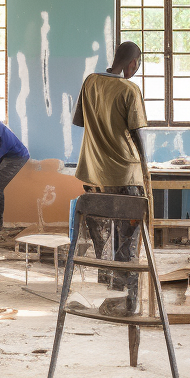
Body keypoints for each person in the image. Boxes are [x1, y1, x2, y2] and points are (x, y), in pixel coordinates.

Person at [72, 41, 149, 313]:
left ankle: (107, 279)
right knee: (129, 236)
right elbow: (137, 134)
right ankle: (128, 296)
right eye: (137, 66)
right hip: (125, 173)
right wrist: (145, 167)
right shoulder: (129, 89)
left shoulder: (90, 82)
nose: (135, 71)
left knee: (101, 230)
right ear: (132, 64)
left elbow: (80, 121)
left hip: (94, 173)